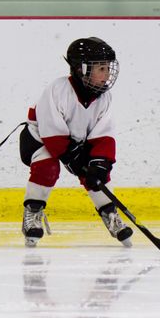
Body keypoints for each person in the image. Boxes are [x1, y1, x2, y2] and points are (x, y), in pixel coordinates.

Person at [18, 37, 133, 248]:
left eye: (108, 68)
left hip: (75, 141)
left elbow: (103, 135)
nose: (107, 74)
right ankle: (32, 213)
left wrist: (100, 161)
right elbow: (51, 132)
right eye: (101, 68)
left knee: (97, 173)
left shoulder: (104, 98)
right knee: (48, 166)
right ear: (82, 70)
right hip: (40, 138)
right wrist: (72, 156)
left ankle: (110, 214)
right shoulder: (58, 90)